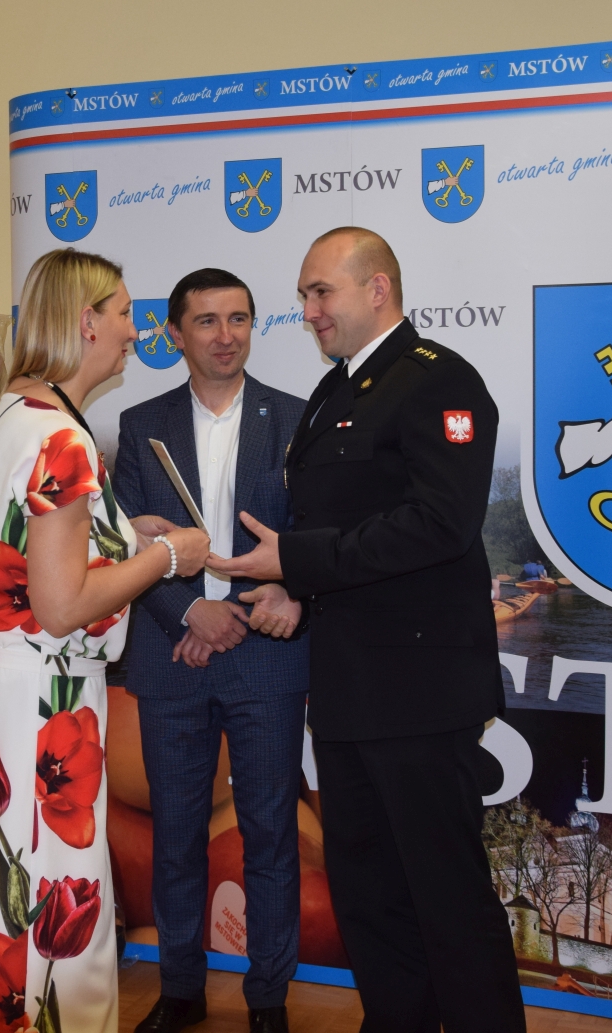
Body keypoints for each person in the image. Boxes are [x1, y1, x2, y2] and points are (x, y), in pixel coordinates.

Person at [209, 227, 527, 1033]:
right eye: (304, 296)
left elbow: (440, 524)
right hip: (349, 692)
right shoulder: (334, 393)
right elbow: (346, 531)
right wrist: (296, 592)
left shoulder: (438, 380)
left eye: (322, 292)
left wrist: (298, 561)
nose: (309, 311)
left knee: (447, 897)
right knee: (369, 897)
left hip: (421, 694)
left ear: (377, 288)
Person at [0, 247, 210, 1033]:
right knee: (60, 920)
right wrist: (168, 557)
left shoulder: (10, 415)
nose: (135, 330)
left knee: (2, 915)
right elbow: (61, 606)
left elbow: (28, 556)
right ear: (86, 321)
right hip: (41, 708)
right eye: (125, 313)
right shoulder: (64, 438)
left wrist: (123, 531)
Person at [113, 268, 308, 1033]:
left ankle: (268, 998)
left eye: (238, 319)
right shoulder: (140, 424)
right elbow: (124, 540)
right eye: (206, 320)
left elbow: (314, 535)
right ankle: (181, 990)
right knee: (177, 837)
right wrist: (190, 610)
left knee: (271, 835)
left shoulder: (296, 418)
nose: (225, 335)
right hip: (174, 654)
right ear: (175, 333)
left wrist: (267, 599)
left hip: (267, 654)